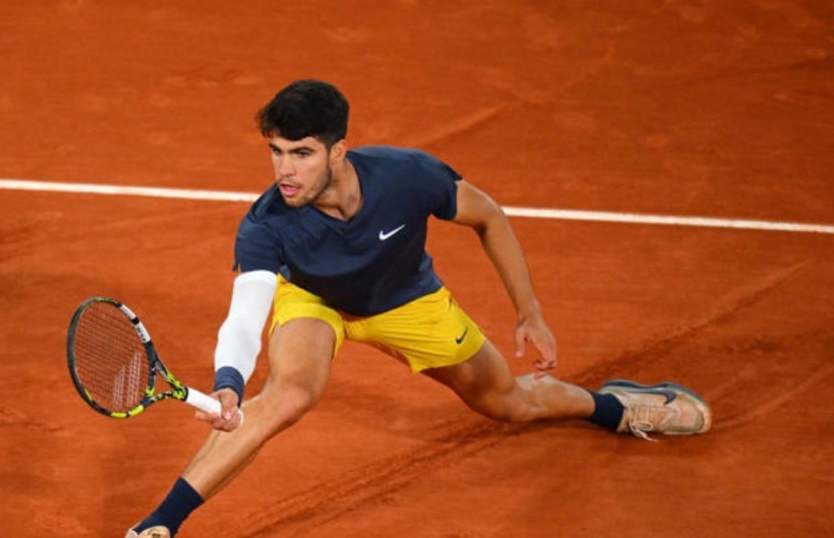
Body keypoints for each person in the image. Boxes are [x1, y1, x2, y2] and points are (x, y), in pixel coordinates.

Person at [126, 79, 711, 538]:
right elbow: (245, 313)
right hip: (317, 301)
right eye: (276, 152)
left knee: (511, 404)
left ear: (339, 149)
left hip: (407, 300)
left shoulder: (407, 177)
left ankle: (614, 406)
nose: (284, 171)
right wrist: (229, 380)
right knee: (287, 396)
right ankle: (159, 524)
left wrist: (528, 309)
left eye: (301, 153)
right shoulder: (266, 226)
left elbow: (489, 217)